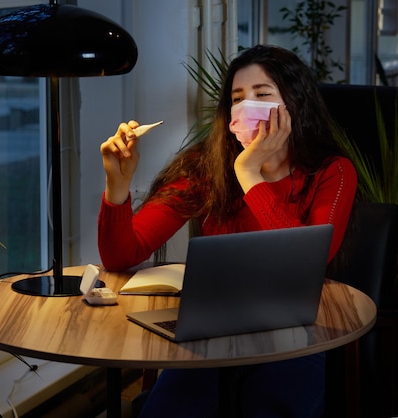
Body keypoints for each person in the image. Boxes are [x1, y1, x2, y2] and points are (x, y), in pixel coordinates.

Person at [97, 45, 357, 417]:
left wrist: (250, 174)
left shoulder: (334, 171)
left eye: (262, 95)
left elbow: (305, 264)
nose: (247, 106)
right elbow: (120, 255)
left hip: (295, 337)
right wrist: (116, 187)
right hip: (212, 335)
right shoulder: (206, 167)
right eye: (238, 98)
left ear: (295, 103)